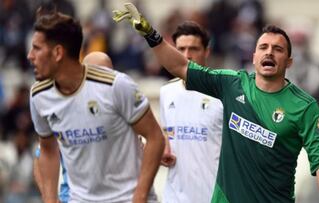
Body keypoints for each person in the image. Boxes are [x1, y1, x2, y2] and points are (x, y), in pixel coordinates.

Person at [112, 3, 319, 203]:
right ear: (254, 57)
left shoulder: (304, 106)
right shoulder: (232, 84)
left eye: (278, 49)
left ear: (288, 61)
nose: (269, 52)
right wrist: (150, 34)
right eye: (263, 47)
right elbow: (180, 67)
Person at [28, 9, 164, 203]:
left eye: (36, 48)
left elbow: (155, 137)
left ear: (58, 53)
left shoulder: (115, 86)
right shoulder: (39, 96)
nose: (29, 56)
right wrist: (50, 200)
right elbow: (47, 151)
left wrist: (140, 196)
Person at [32, 51, 115, 203]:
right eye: (97, 74)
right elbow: (41, 156)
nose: (102, 81)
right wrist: (50, 197)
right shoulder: (66, 116)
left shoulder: (122, 112)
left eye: (107, 75)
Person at [160, 21, 223, 203]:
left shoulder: (222, 94)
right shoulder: (166, 92)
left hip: (211, 196)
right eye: (181, 49)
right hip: (174, 196)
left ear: (207, 52)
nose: (187, 55)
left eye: (194, 49)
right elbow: (165, 133)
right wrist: (161, 151)